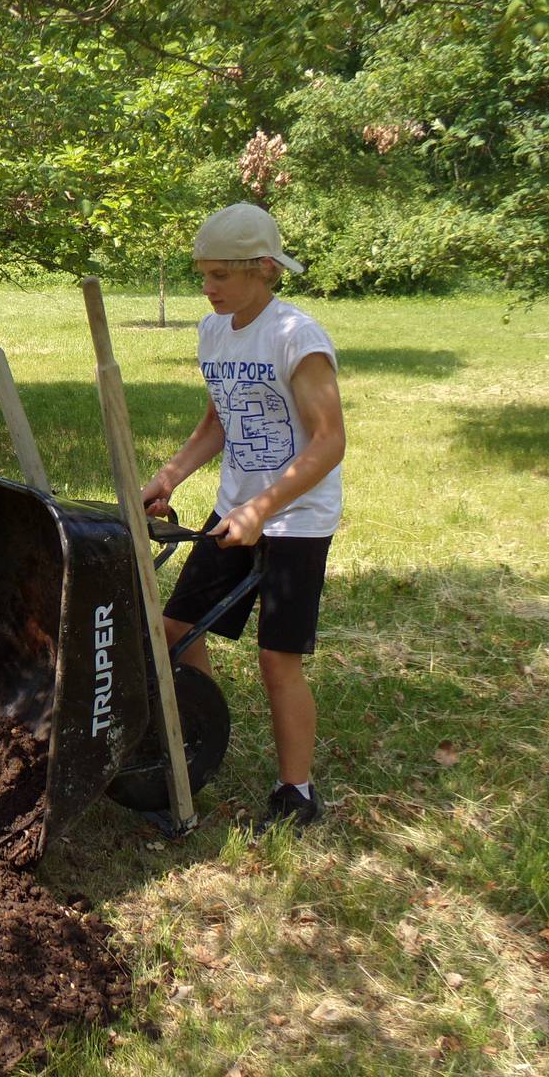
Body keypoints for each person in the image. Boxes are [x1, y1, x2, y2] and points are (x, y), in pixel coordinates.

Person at [140, 202, 346, 833]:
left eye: (220, 276)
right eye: (203, 275)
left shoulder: (296, 337)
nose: (208, 288)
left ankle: (297, 791)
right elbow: (217, 424)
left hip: (296, 522)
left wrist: (264, 507)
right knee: (175, 631)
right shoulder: (213, 332)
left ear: (263, 268)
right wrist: (171, 476)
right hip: (235, 513)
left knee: (276, 659)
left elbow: (328, 441)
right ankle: (206, 733)